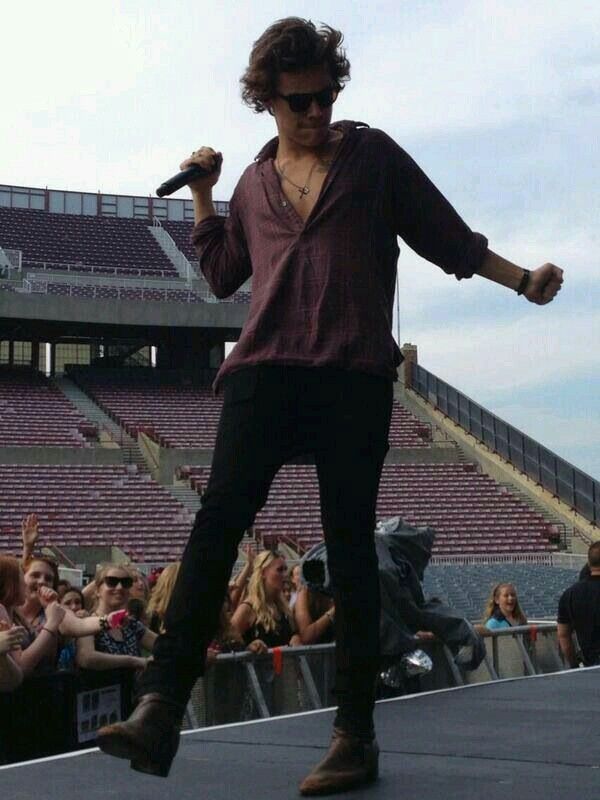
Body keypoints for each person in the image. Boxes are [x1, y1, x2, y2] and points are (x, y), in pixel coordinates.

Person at [97, 17, 564, 793]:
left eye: (327, 95)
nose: (317, 112)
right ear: (267, 102)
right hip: (267, 370)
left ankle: (354, 735)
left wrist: (521, 280)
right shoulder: (250, 182)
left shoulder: (372, 157)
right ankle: (160, 707)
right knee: (217, 524)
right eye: (300, 101)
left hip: (351, 373)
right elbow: (219, 275)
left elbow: (448, 238)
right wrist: (206, 194)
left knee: (350, 552)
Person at [76, 564, 156, 673]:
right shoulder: (88, 622)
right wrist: (133, 661)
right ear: (97, 590)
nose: (119, 587)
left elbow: (164, 647)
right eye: (111, 582)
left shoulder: (132, 625)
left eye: (126, 582)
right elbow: (86, 658)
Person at [230, 550, 297, 653]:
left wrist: (296, 637)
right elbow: (228, 643)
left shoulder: (283, 607)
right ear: (263, 573)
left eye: (285, 569)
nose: (284, 575)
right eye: (279, 570)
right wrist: (250, 647)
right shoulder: (248, 608)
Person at [557, 542, 600, 668]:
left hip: (590, 666)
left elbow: (563, 635)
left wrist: (574, 665)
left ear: (589, 563)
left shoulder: (569, 594)